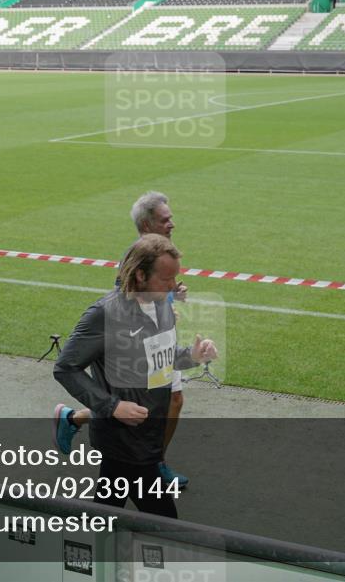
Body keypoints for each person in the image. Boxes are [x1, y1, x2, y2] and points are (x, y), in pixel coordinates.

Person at [53, 234, 217, 518]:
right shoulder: (104, 314)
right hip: (125, 440)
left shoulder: (161, 304)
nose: (174, 287)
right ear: (140, 275)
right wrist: (112, 407)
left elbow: (159, 356)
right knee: (164, 522)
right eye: (166, 279)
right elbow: (65, 368)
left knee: (108, 513)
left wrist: (192, 355)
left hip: (148, 434)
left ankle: (86, 557)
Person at [54, 191, 191, 487]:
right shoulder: (137, 260)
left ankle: (76, 419)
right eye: (165, 220)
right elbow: (127, 301)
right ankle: (155, 464)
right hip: (142, 344)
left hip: (157, 339)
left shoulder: (161, 254)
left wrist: (169, 300)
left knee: (155, 404)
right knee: (162, 402)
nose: (172, 224)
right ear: (147, 224)